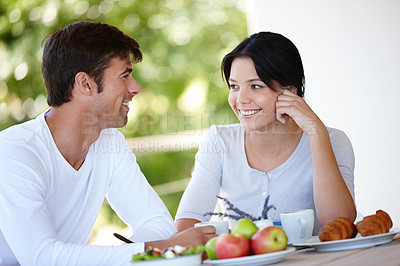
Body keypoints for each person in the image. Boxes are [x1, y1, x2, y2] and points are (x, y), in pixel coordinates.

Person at [0, 21, 215, 266]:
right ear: (85, 84)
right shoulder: (15, 153)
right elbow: (42, 257)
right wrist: (163, 249)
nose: (136, 88)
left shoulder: (108, 142)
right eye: (124, 75)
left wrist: (143, 252)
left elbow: (158, 223)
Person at [175, 32, 357, 234]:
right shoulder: (220, 141)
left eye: (255, 86)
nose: (241, 99)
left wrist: (316, 131)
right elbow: (186, 224)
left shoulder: (332, 140)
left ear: (289, 91)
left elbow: (340, 224)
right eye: (234, 86)